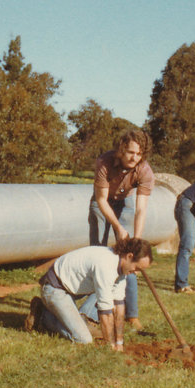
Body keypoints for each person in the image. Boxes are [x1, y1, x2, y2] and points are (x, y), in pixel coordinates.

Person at [79, 128, 154, 330]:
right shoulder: (104, 162)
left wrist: (135, 244)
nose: (134, 157)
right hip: (101, 203)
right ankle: (90, 312)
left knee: (128, 259)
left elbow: (140, 209)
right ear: (121, 148)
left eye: (139, 154)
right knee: (100, 257)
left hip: (125, 202)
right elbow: (102, 201)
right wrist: (118, 228)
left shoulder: (144, 170)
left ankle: (132, 315)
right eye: (131, 152)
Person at [25, 238, 153, 351]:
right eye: (136, 268)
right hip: (55, 289)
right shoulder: (106, 265)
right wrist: (110, 345)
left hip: (73, 289)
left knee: (104, 296)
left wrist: (119, 342)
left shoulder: (122, 269)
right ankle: (42, 315)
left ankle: (77, 319)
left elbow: (119, 306)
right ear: (129, 256)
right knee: (84, 339)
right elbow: (106, 311)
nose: (136, 273)